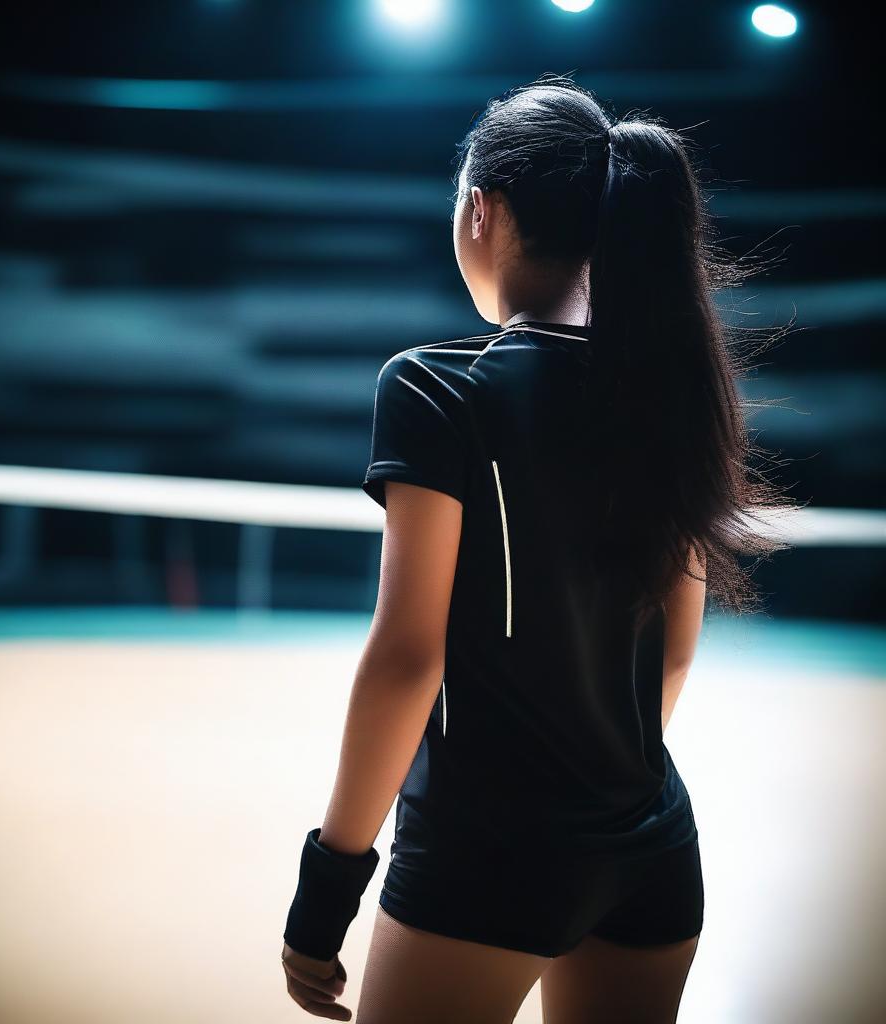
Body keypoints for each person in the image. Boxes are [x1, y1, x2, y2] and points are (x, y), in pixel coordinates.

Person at [281, 73, 797, 1023]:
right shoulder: (666, 389)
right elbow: (674, 652)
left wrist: (328, 887)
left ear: (483, 210)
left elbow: (406, 655)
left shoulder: (437, 390)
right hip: (650, 853)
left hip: (487, 855)